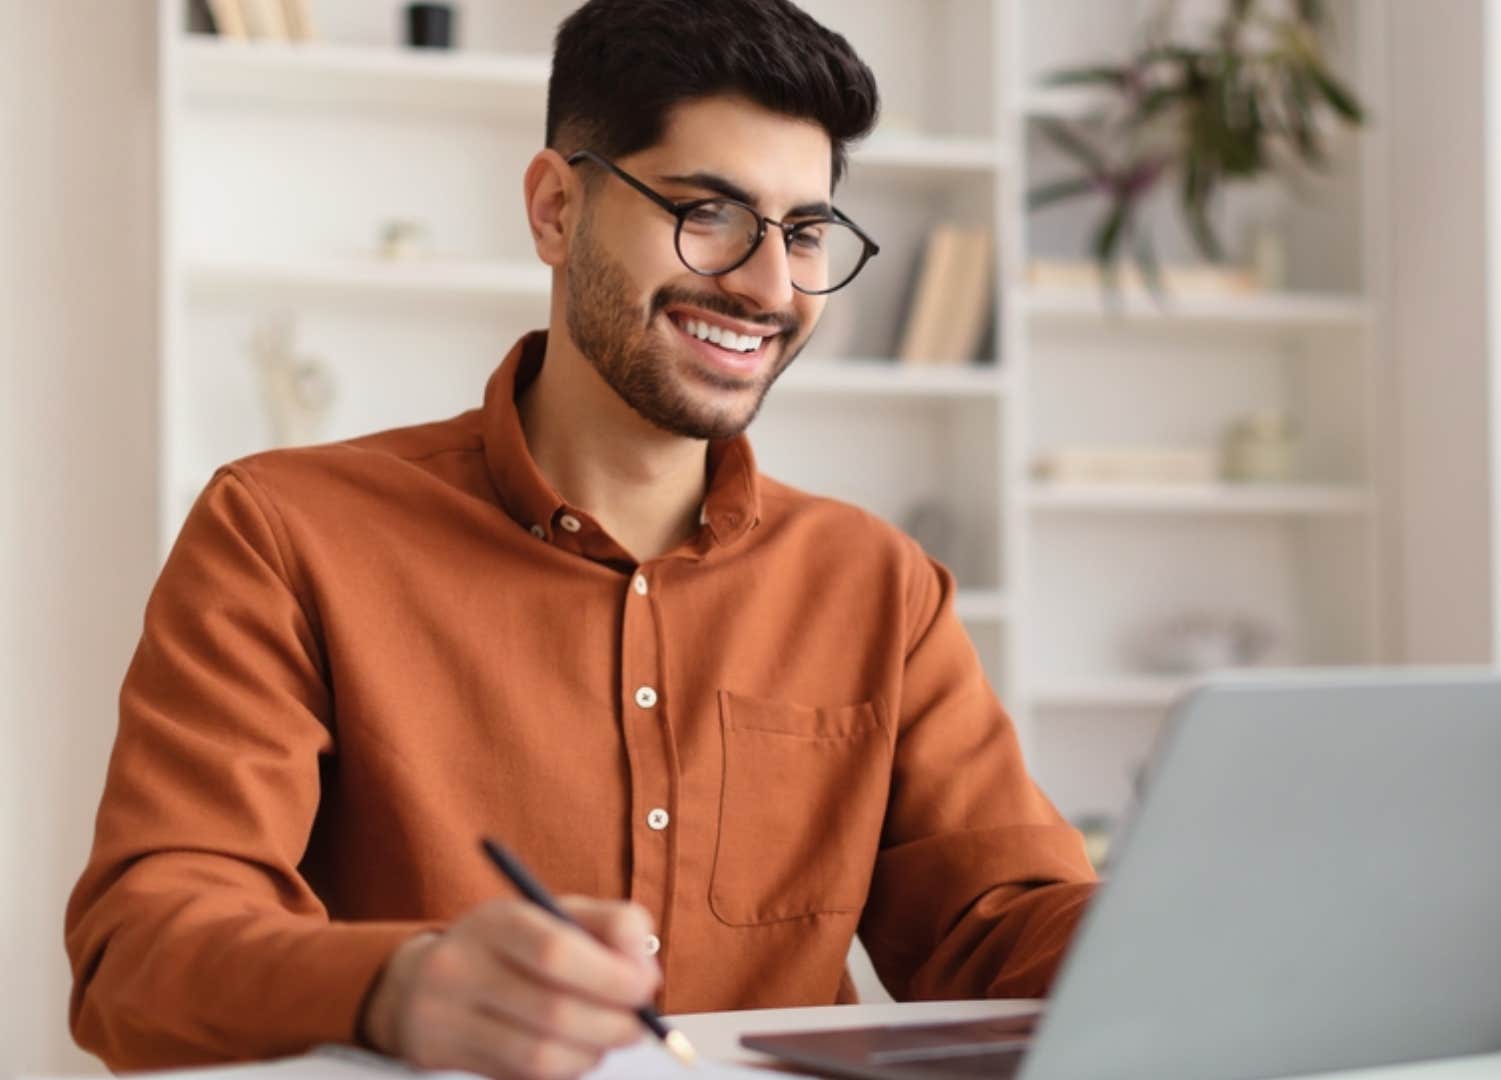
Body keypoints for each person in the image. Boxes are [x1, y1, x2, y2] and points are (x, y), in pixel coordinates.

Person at [65, 1, 1097, 1075]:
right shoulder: (284, 533)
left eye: (804, 232)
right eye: (708, 213)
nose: (768, 286)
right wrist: (400, 985)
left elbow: (994, 926)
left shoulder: (878, 585)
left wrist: (1210, 935)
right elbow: (140, 952)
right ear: (556, 209)